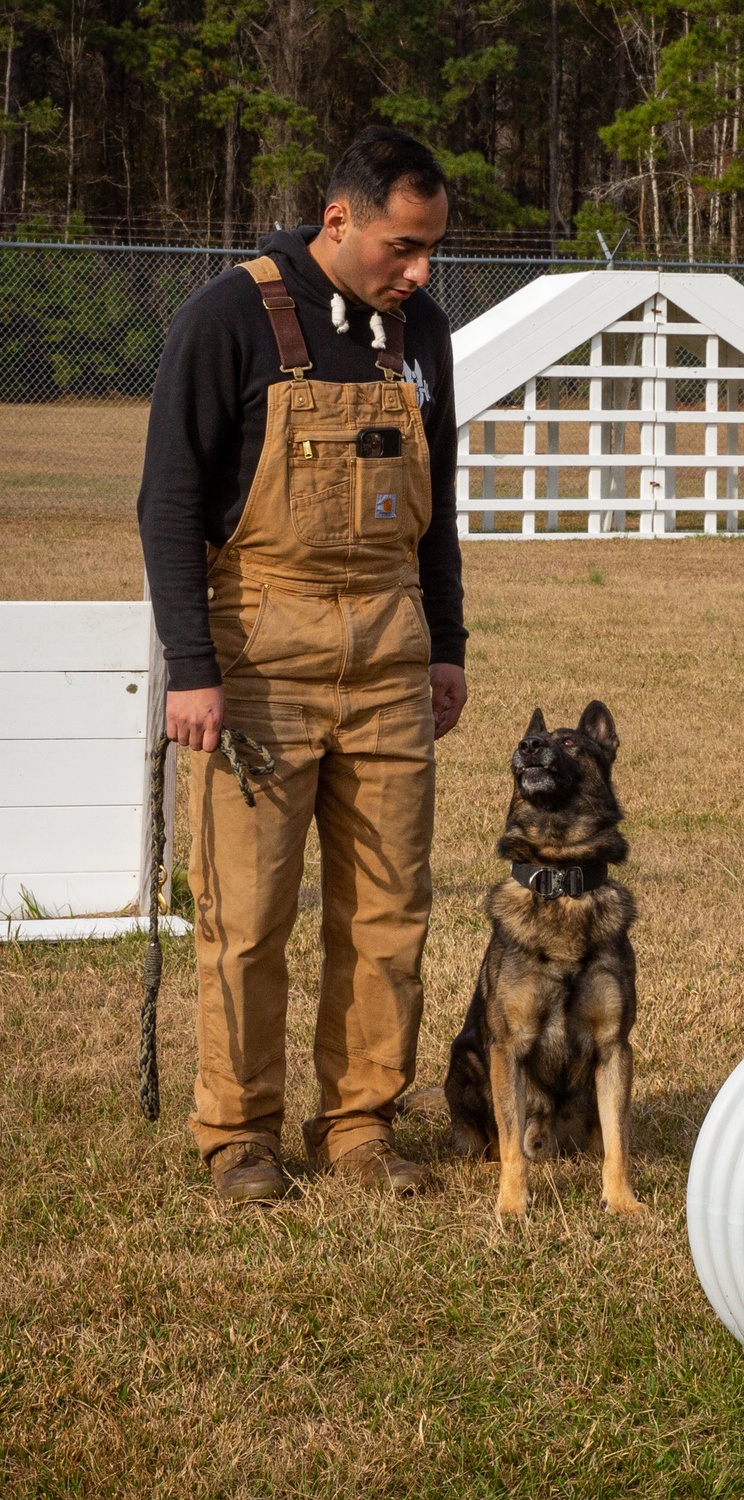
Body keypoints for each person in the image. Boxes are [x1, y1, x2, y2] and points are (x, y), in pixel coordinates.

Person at [138, 126, 467, 1203]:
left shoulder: (420, 333)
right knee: (248, 914)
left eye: (429, 253)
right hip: (258, 657)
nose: (418, 275)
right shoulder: (228, 316)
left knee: (388, 906)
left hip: (389, 652)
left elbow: (439, 508)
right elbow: (171, 504)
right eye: (401, 249)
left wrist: (447, 646)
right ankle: (238, 1134)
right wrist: (192, 667)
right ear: (340, 221)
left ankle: (361, 1124)